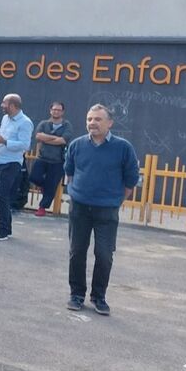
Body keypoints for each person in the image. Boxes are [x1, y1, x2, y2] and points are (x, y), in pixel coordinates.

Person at [63, 104, 139, 316]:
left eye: (97, 119)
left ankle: (99, 297)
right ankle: (76, 295)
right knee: (76, 252)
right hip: (79, 208)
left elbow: (131, 181)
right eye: (89, 119)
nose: (92, 123)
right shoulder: (77, 145)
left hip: (106, 211)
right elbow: (69, 172)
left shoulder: (123, 148)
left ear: (110, 123)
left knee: (104, 254)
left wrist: (115, 201)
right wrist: (75, 193)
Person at [0, 93, 34, 241]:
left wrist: (4, 141)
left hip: (12, 163)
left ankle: (4, 230)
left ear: (12, 105)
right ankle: (4, 227)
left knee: (2, 196)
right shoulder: (5, 118)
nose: (1, 105)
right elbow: (1, 135)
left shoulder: (25, 122)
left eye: (4, 103)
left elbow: (25, 145)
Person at [32, 101, 72, 217]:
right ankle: (44, 187)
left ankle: (42, 208)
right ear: (50, 110)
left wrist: (47, 138)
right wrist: (55, 138)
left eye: (59, 110)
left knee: (51, 185)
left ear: (62, 112)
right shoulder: (44, 124)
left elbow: (63, 140)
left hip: (58, 161)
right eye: (54, 109)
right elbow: (38, 136)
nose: (56, 111)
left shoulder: (67, 125)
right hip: (42, 157)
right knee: (34, 177)